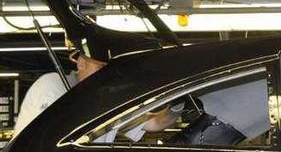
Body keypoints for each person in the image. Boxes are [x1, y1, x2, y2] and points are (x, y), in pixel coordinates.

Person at [13, 46, 175, 140]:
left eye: (111, 70)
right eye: (101, 68)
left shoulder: (109, 98)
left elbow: (155, 123)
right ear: (81, 63)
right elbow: (54, 137)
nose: (107, 76)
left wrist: (176, 103)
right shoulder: (53, 85)